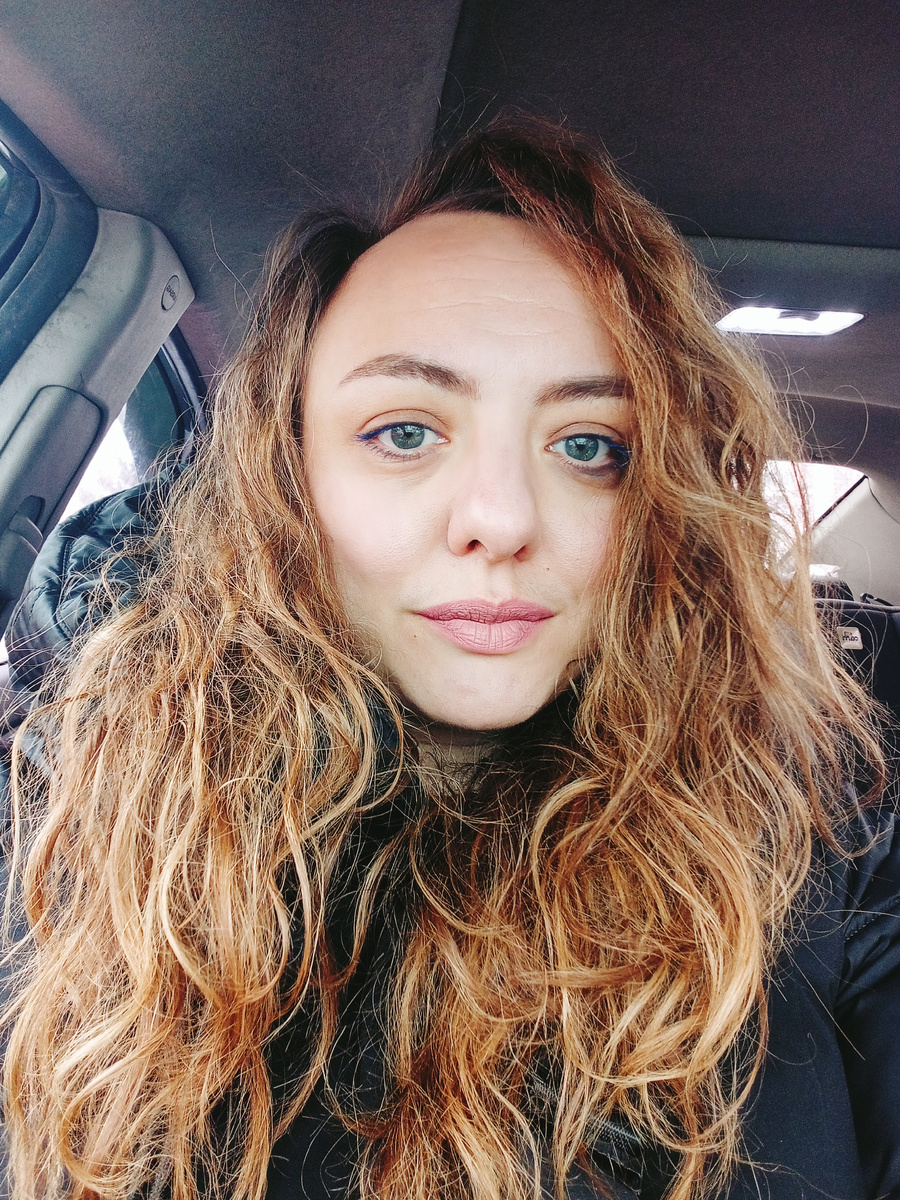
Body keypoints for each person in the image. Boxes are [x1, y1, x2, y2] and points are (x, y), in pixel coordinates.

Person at [1, 119, 898, 1200]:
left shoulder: (820, 849)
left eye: (589, 447)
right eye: (404, 432)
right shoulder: (77, 826)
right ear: (285, 477)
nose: (502, 519)